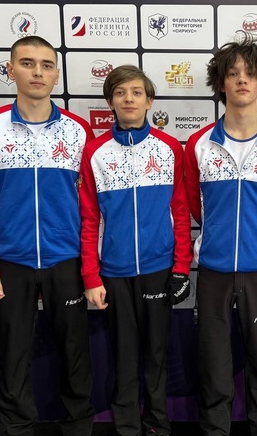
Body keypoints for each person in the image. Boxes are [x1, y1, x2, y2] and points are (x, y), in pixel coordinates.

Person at [0, 35, 95, 436]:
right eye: (28, 63)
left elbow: (91, 206)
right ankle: (18, 429)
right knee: (12, 355)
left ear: (56, 74)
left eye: (46, 65)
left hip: (66, 259)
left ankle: (79, 428)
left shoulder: (78, 131)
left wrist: (90, 266)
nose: (37, 72)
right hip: (9, 261)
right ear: (11, 70)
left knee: (75, 354)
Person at [184, 36, 257, 436]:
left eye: (250, 74)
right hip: (213, 271)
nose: (242, 80)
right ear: (222, 83)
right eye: (233, 74)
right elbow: (195, 205)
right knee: (213, 363)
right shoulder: (198, 144)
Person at [80, 65, 192, 436]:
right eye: (120, 92)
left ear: (149, 101)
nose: (129, 99)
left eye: (136, 92)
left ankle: (157, 425)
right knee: (124, 355)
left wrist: (181, 267)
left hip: (159, 269)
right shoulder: (95, 151)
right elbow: (89, 218)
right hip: (114, 271)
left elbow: (180, 211)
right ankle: (127, 427)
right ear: (110, 101)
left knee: (156, 354)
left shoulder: (169, 148)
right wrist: (91, 275)